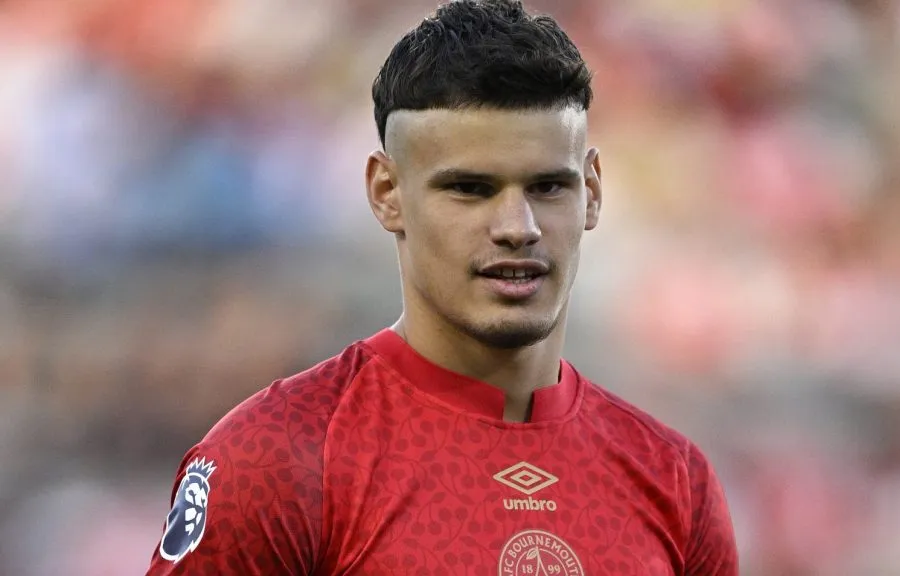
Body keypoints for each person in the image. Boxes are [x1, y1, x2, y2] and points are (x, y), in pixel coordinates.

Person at [146, 1, 739, 574]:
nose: (518, 228)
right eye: (470, 189)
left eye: (548, 187)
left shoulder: (674, 479)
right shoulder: (281, 458)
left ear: (593, 191)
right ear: (387, 192)